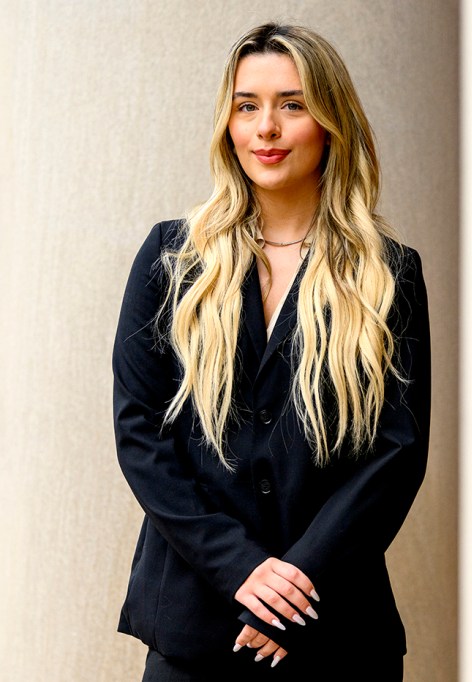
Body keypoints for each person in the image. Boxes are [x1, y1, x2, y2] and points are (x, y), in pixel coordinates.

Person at [112, 23, 430, 680]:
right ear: (227, 122)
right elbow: (140, 433)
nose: (267, 128)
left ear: (330, 120)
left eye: (292, 103)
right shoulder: (171, 259)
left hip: (337, 632)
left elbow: (396, 455)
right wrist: (243, 572)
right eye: (246, 104)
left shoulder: (389, 273)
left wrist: (298, 591)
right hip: (196, 628)